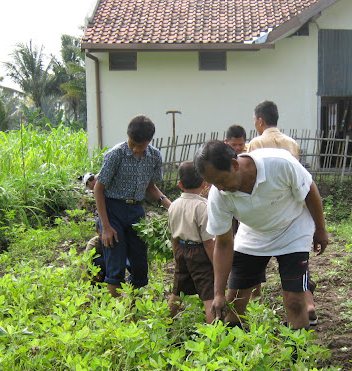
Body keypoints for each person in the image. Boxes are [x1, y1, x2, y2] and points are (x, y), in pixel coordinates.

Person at [194, 140, 328, 330]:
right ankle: (236, 353)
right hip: (253, 235)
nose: (221, 188)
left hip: (293, 230)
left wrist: (320, 230)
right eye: (214, 183)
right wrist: (218, 294)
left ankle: (297, 354)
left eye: (222, 180)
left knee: (295, 301)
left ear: (234, 165)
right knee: (235, 301)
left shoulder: (279, 163)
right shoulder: (219, 195)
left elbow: (309, 190)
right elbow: (223, 243)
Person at [248, 100, 318, 325]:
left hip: (268, 212)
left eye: (255, 121)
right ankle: (308, 305)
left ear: (260, 120)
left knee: (256, 259)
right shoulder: (291, 143)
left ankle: (254, 301)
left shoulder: (256, 143)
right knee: (296, 264)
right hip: (293, 208)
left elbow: (253, 181)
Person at [93, 115, 172, 298]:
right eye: (132, 144)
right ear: (127, 136)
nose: (136, 149)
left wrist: (171, 206)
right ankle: (116, 312)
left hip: (136, 211)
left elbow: (151, 186)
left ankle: (133, 309)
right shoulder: (116, 154)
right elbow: (98, 189)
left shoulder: (154, 156)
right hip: (113, 210)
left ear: (149, 141)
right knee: (116, 263)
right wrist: (105, 227)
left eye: (141, 146)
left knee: (139, 263)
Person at [167, 161, 216, 323]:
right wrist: (216, 264)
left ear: (180, 184)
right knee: (209, 297)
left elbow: (174, 237)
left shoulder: (173, 206)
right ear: (204, 183)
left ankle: (165, 325)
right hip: (200, 253)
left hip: (181, 249)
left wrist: (177, 257)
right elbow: (208, 242)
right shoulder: (203, 206)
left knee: (177, 292)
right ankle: (214, 334)